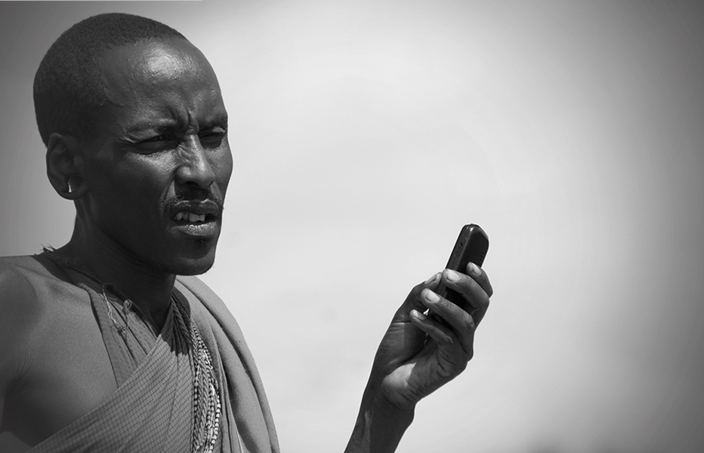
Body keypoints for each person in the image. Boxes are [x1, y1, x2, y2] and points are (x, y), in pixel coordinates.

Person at [0, 12, 493, 453]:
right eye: (157, 140)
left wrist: (384, 405)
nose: (200, 170)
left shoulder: (203, 329)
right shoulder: (18, 309)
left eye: (213, 136)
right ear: (68, 165)